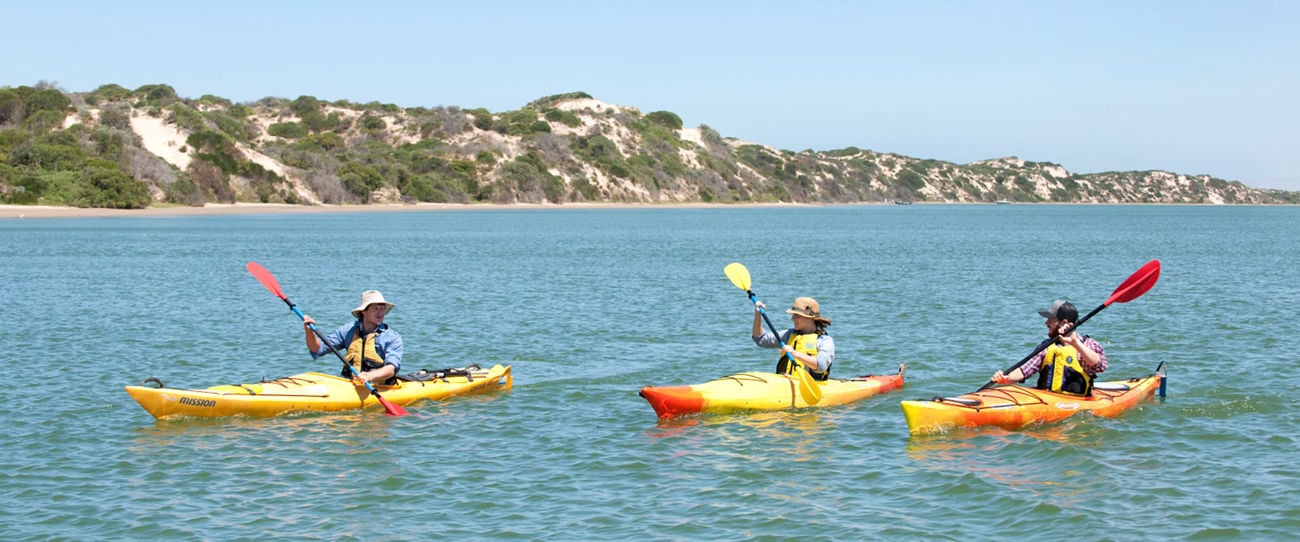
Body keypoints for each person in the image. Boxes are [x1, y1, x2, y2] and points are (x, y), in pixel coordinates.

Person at [991, 300, 1107, 395]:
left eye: (1050, 319)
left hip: (1077, 402)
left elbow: (1099, 365)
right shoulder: (1046, 346)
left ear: (1065, 323)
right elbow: (1025, 370)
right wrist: (1006, 378)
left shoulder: (1088, 345)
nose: (1046, 323)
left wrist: (1076, 343)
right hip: (1047, 400)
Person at [303, 290, 404, 385]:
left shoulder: (392, 337)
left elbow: (391, 368)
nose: (380, 313)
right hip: (350, 384)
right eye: (375, 309)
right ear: (363, 312)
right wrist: (309, 332)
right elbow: (317, 349)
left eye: (382, 309)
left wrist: (370, 376)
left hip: (380, 387)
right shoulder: (348, 330)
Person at [752, 296, 835, 380]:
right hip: (786, 384)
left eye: (797, 315)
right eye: (793, 315)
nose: (792, 318)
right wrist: (758, 315)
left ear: (809, 318)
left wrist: (795, 353)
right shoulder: (789, 334)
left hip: (811, 386)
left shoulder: (824, 340)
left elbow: (821, 365)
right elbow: (761, 339)